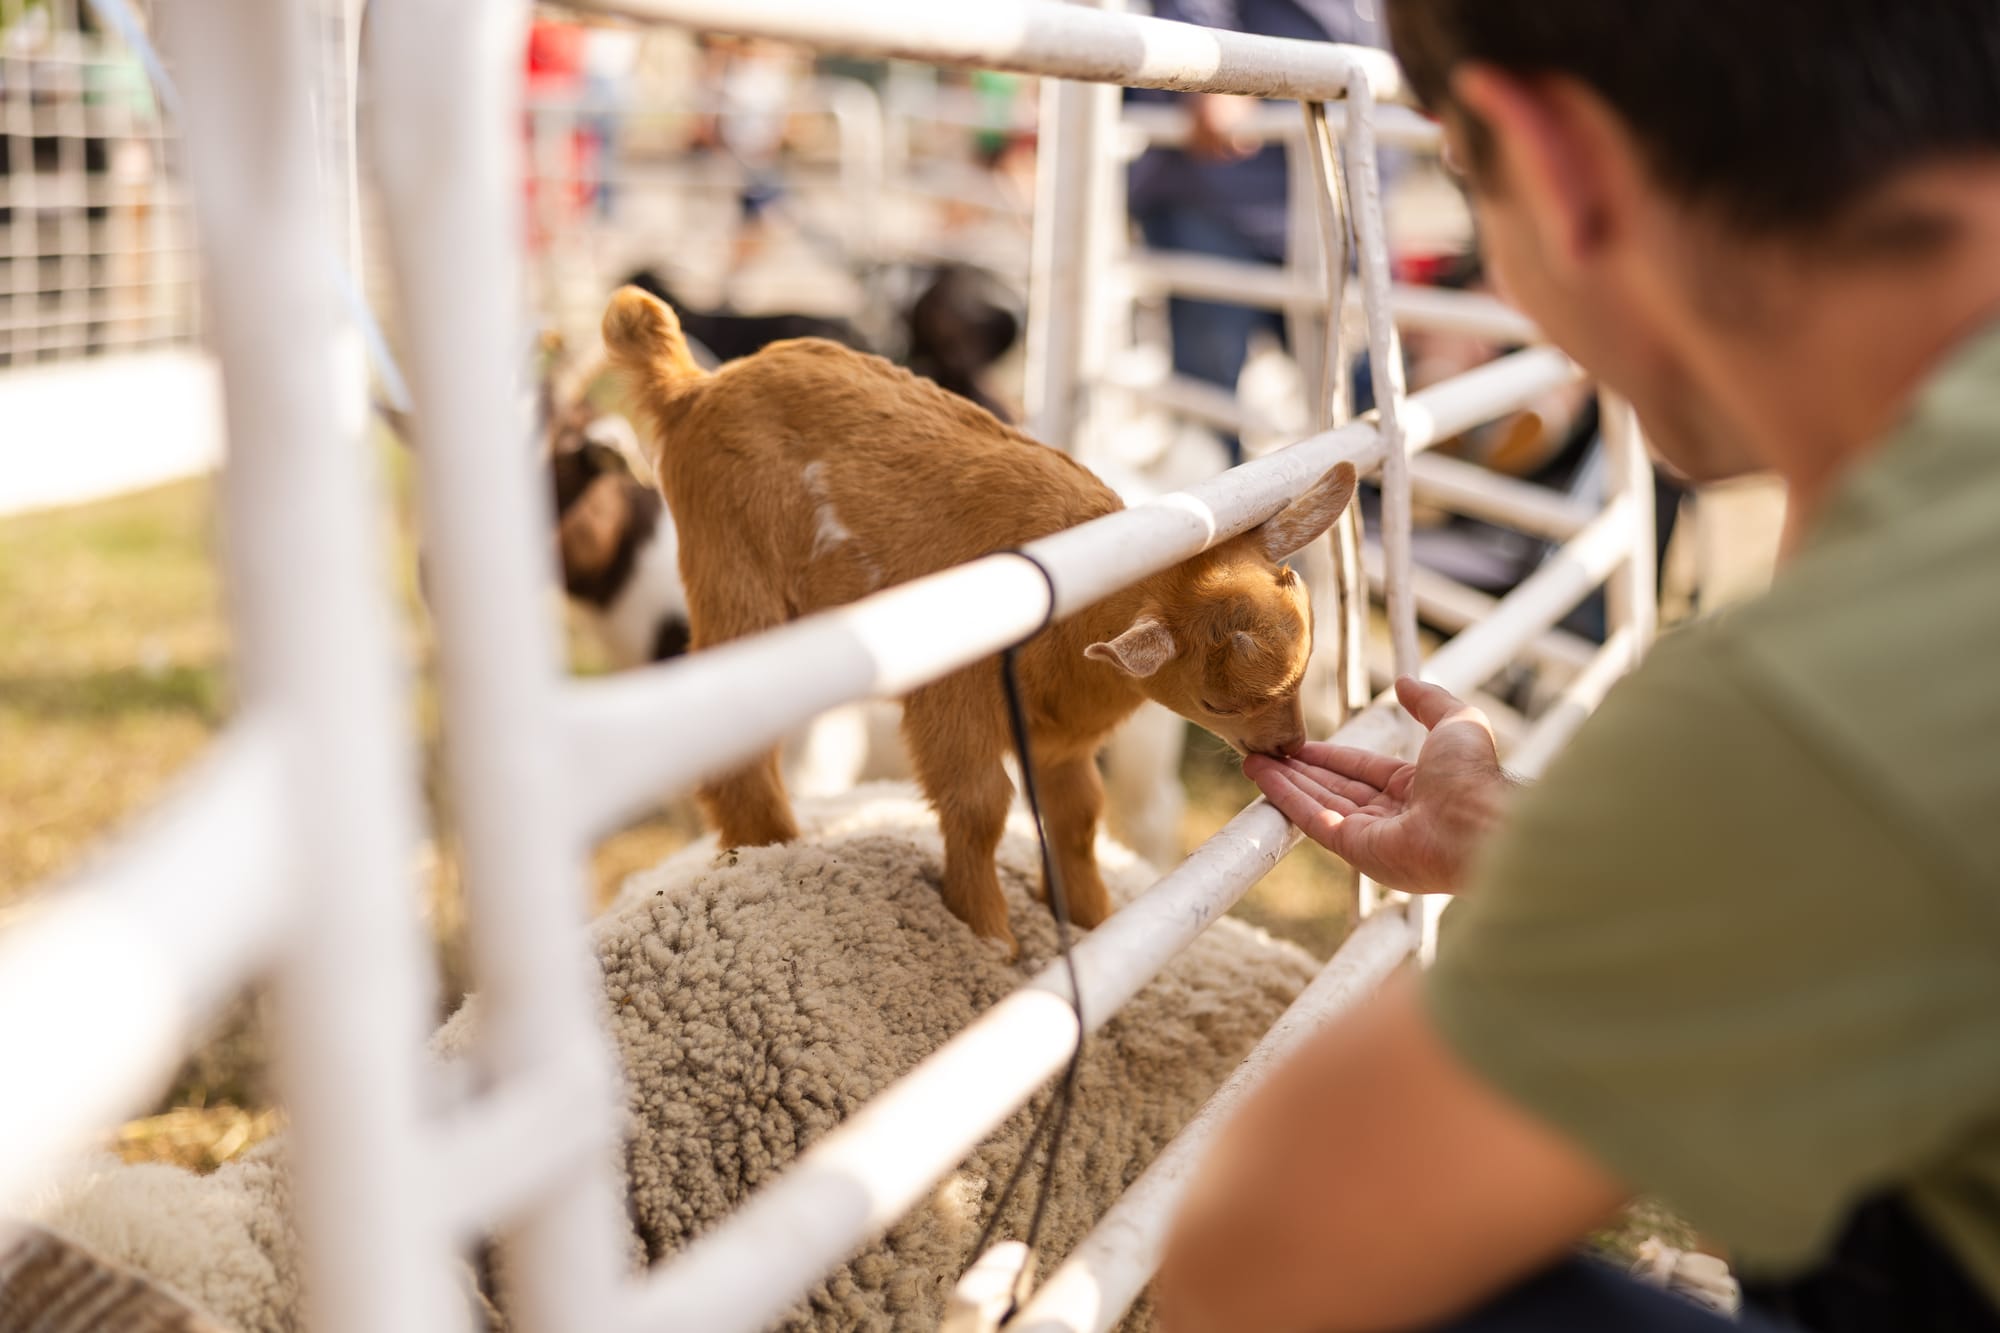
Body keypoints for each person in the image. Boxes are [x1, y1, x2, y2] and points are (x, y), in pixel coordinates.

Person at [1154, 3, 2000, 1332]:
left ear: (1558, 168)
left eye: (1466, 179)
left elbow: (1257, 1254)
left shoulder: (1828, 680)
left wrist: (1622, 866)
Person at [1128, 0, 1385, 464]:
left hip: (1335, 197)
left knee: (1350, 391)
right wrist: (1210, 64)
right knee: (1213, 406)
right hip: (1227, 189)